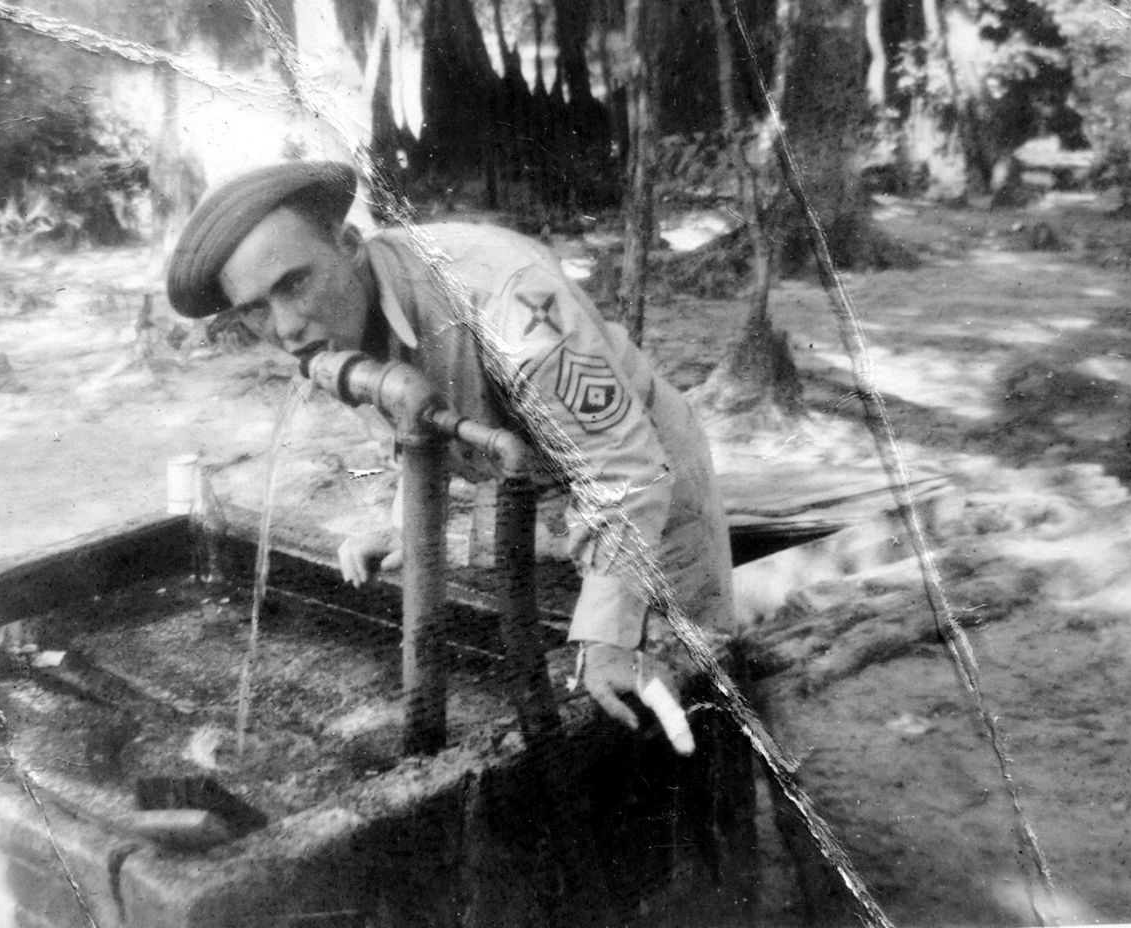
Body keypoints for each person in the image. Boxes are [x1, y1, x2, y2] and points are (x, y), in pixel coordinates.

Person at [165, 159, 735, 739]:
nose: (285, 327)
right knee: (564, 703)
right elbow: (408, 429)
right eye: (255, 309)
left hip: (647, 483)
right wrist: (410, 523)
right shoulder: (336, 319)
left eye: (294, 283)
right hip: (535, 490)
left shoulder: (506, 300)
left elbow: (624, 468)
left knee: (678, 700)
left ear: (348, 244)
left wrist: (608, 637)